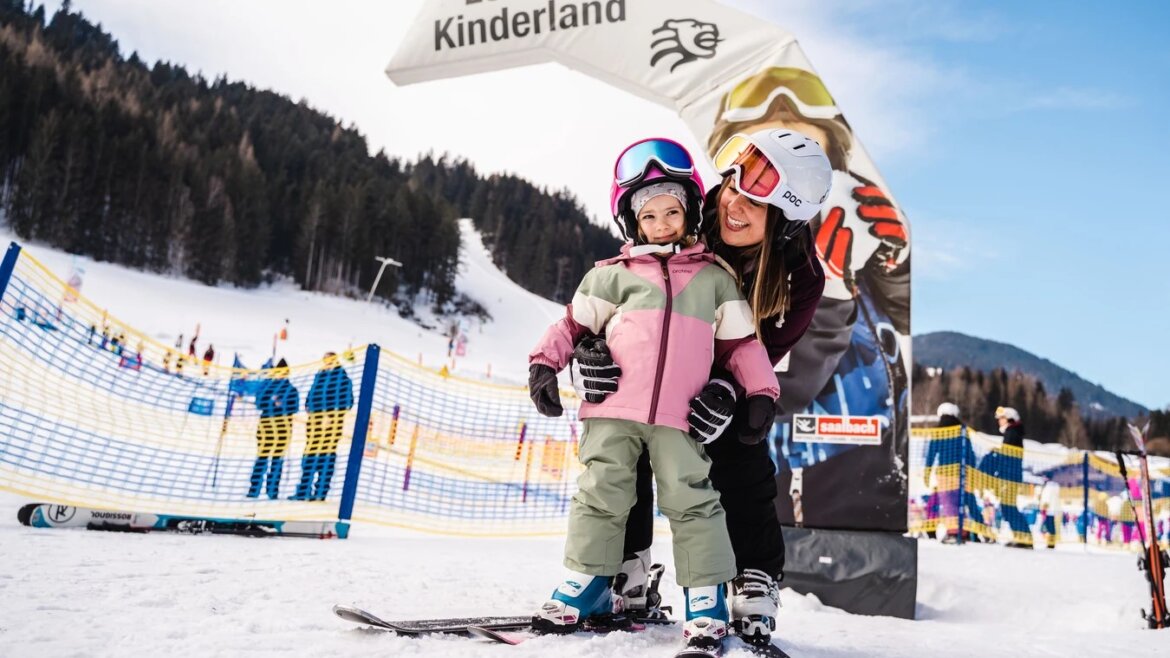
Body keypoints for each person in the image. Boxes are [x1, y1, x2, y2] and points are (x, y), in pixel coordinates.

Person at [570, 128, 832, 647]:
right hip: (652, 372)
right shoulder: (689, 212)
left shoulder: (800, 279)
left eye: (756, 203)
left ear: (783, 221)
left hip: (723, 376)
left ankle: (753, 574)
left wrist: (732, 390)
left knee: (740, 448)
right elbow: (626, 290)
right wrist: (592, 351)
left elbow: (763, 354)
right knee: (629, 440)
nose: (733, 204)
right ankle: (627, 565)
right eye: (733, 185)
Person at [526, 137, 781, 654]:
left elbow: (741, 344)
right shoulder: (609, 277)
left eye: (672, 211)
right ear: (632, 222)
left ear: (688, 214)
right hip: (612, 410)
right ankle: (589, 582)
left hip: (680, 417)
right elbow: (572, 326)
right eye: (650, 216)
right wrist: (544, 365)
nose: (662, 223)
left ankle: (705, 600)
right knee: (600, 494)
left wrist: (759, 392)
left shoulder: (714, 279)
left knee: (694, 501)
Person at [293, 352, 354, 501]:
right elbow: (312, 395)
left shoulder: (343, 379)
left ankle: (321, 491)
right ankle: (303, 490)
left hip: (331, 427)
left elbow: (348, 402)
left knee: (325, 458)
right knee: (309, 457)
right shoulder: (319, 375)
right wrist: (308, 405)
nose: (327, 364)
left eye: (330, 361)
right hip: (314, 424)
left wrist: (331, 416)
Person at [922, 402, 983, 542]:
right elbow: (970, 454)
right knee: (963, 502)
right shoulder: (962, 431)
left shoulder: (939, 431)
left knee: (948, 503)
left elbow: (931, 453)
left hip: (945, 473)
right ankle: (971, 531)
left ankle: (954, 532)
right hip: (962, 473)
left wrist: (927, 472)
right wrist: (972, 472)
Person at [247, 359, 298, 500]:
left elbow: (295, 407)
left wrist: (281, 405)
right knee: (261, 459)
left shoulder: (291, 390)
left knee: (277, 461)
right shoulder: (267, 386)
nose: (280, 375)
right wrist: (270, 402)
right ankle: (254, 489)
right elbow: (259, 402)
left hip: (282, 429)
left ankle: (272, 490)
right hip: (266, 428)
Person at [991, 406, 1031, 547]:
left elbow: (1006, 457)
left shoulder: (1011, 433)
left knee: (1008, 507)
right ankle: (1022, 536)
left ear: (1008, 418)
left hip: (1009, 476)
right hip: (1011, 475)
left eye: (1001, 418)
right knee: (1008, 507)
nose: (999, 421)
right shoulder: (1013, 433)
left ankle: (1024, 537)